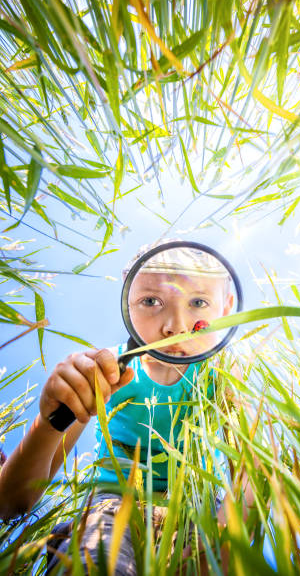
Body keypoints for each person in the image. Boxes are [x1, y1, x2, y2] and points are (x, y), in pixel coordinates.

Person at [0, 242, 242, 574]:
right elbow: (11, 501)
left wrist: (228, 522)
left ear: (227, 309)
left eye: (198, 302)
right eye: (151, 301)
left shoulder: (222, 375)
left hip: (201, 510)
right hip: (113, 505)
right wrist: (49, 422)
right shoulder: (106, 371)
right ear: (128, 306)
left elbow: (250, 465)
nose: (175, 326)